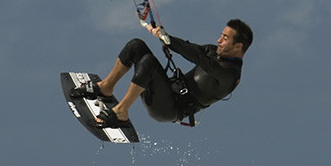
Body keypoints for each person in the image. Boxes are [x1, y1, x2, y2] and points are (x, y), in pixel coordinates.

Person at [71, 19, 253, 128]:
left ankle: (121, 112)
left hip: (170, 109)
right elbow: (190, 48)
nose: (218, 40)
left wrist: (167, 39)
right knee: (136, 45)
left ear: (238, 47)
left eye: (225, 38)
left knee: (148, 62)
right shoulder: (214, 51)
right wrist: (165, 36)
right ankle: (105, 88)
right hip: (166, 90)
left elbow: (200, 59)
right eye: (221, 35)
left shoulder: (229, 75)